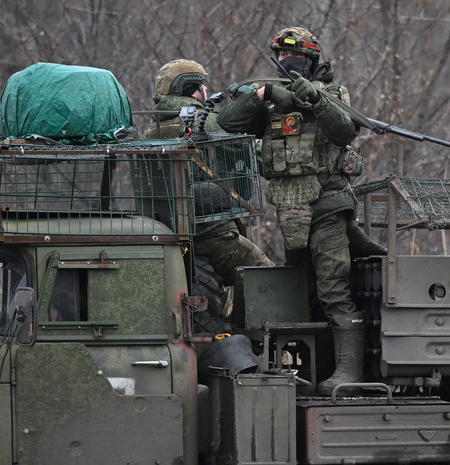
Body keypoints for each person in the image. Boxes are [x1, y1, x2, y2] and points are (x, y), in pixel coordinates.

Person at [217, 27, 386, 396]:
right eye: (284, 62)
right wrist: (261, 95)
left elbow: (344, 132)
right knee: (303, 291)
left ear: (312, 62)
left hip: (328, 203)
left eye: (298, 62)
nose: (290, 68)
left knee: (333, 287)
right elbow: (227, 123)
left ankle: (348, 371)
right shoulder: (270, 99)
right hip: (291, 209)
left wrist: (316, 101)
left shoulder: (333, 94)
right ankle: (319, 366)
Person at [145, 59, 273, 288]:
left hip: (168, 230)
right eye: (202, 85)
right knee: (269, 280)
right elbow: (262, 158)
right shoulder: (207, 122)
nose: (206, 90)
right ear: (192, 91)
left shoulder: (152, 128)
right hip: (211, 232)